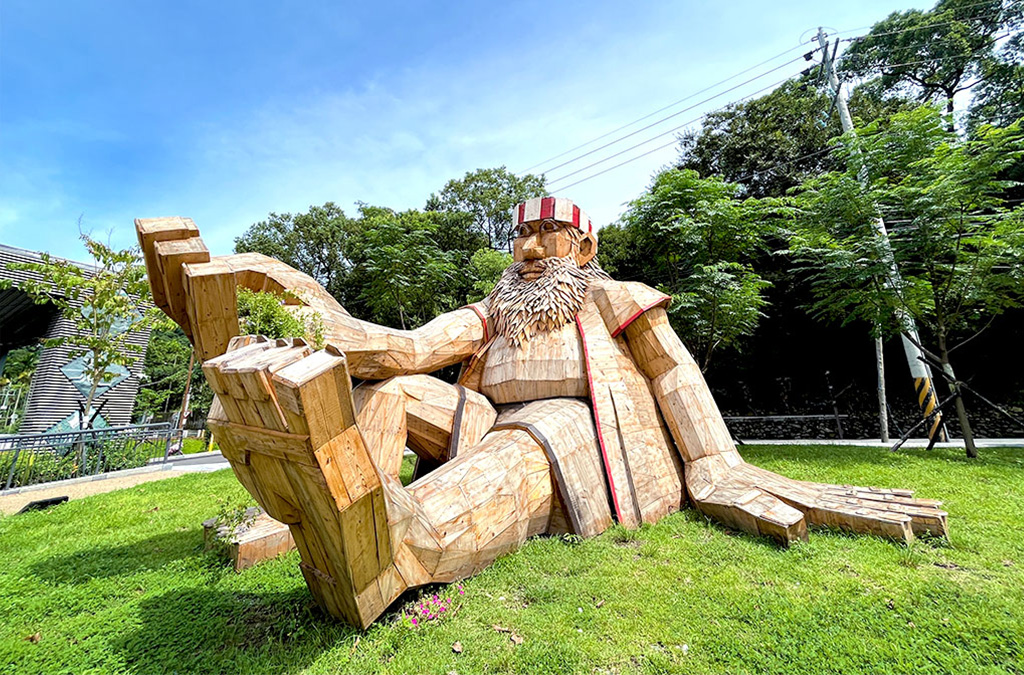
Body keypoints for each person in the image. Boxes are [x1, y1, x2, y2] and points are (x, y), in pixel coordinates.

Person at [137, 198, 947, 628]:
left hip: (576, 436)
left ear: (582, 249)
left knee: (526, 444)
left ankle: (400, 544)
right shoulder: (495, 306)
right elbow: (398, 349)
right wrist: (275, 294)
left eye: (548, 235)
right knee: (385, 391)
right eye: (520, 236)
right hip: (486, 416)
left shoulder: (613, 298)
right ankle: (322, 505)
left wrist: (718, 465)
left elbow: (676, 379)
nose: (527, 250)